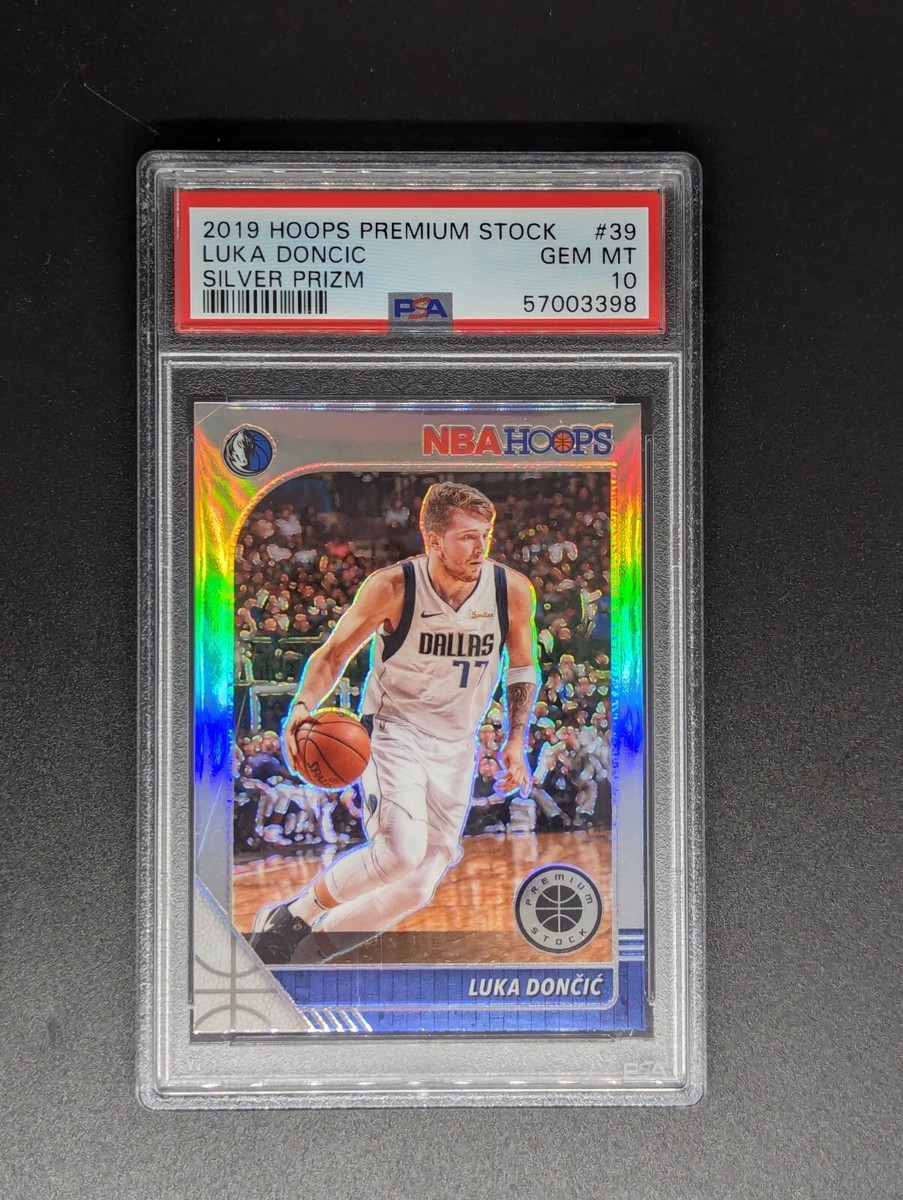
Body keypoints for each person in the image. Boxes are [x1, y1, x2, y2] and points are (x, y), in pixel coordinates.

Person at [249, 481, 539, 964]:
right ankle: (292, 916)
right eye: (467, 537)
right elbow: (334, 653)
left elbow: (523, 668)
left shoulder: (511, 590)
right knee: (400, 853)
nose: (480, 547)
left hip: (458, 744)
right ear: (433, 540)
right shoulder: (393, 588)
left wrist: (515, 740)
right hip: (394, 731)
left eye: (485, 536)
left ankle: (304, 955)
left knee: (417, 887)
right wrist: (301, 706)